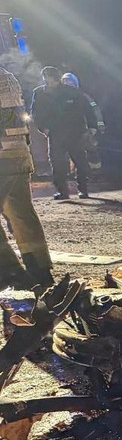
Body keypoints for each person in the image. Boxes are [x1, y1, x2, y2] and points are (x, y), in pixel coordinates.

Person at [0, 66, 53, 289]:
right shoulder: (7, 76)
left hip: (2, 156)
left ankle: (11, 274)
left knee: (20, 213)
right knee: (21, 213)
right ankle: (40, 270)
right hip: (18, 156)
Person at [30, 66, 96, 200]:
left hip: (75, 132)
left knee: (80, 161)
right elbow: (35, 112)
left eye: (51, 78)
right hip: (55, 133)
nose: (48, 81)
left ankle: (83, 189)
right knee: (57, 163)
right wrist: (43, 128)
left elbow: (87, 109)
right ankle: (62, 191)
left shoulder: (72, 92)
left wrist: (92, 126)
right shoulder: (39, 93)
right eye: (46, 78)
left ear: (56, 78)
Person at [61, 73, 104, 170]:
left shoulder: (83, 97)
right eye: (64, 82)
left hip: (83, 130)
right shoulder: (61, 99)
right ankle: (78, 171)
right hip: (68, 131)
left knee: (89, 149)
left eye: (69, 82)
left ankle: (95, 169)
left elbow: (93, 112)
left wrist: (94, 127)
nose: (67, 84)